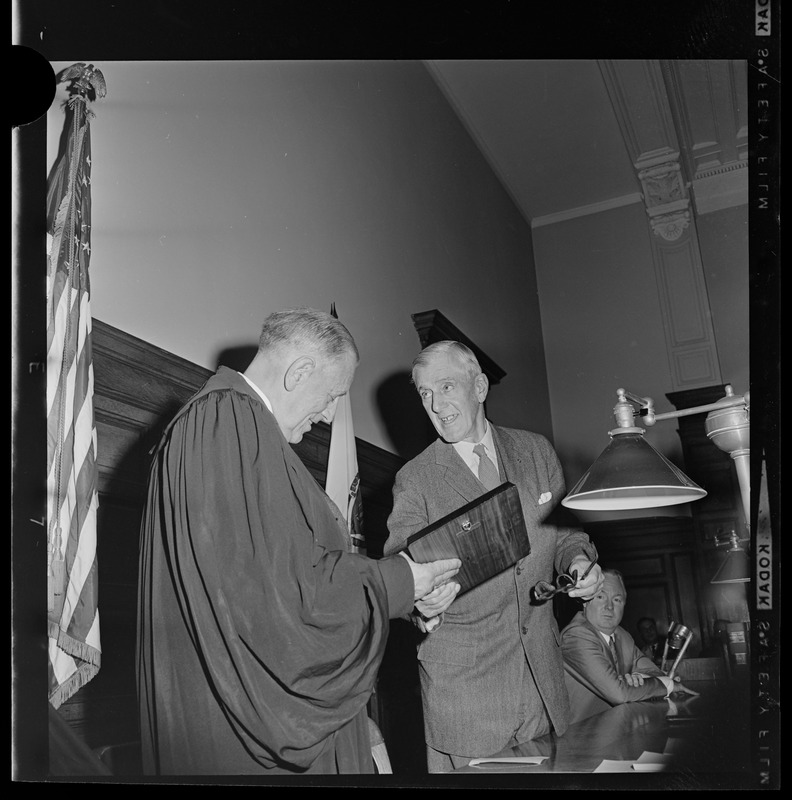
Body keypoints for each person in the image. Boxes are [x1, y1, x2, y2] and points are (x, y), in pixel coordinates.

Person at [136, 308, 461, 775]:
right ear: (300, 371)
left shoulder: (239, 427)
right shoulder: (226, 421)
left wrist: (408, 597)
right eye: (332, 396)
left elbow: (279, 570)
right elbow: (275, 601)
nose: (329, 415)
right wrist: (399, 580)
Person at [383, 340, 603, 773]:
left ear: (480, 386)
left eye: (446, 387)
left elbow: (567, 536)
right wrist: (421, 602)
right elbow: (399, 573)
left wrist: (579, 562)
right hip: (466, 699)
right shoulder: (416, 478)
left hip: (543, 683)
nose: (435, 404)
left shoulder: (535, 450)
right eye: (425, 393)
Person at [561, 569, 698, 724]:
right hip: (583, 737)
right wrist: (668, 685)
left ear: (624, 604)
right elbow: (619, 693)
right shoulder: (576, 635)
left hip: (620, 725)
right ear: (585, 602)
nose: (609, 607)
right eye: (600, 597)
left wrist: (638, 679)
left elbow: (654, 672)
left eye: (617, 600)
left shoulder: (621, 635)